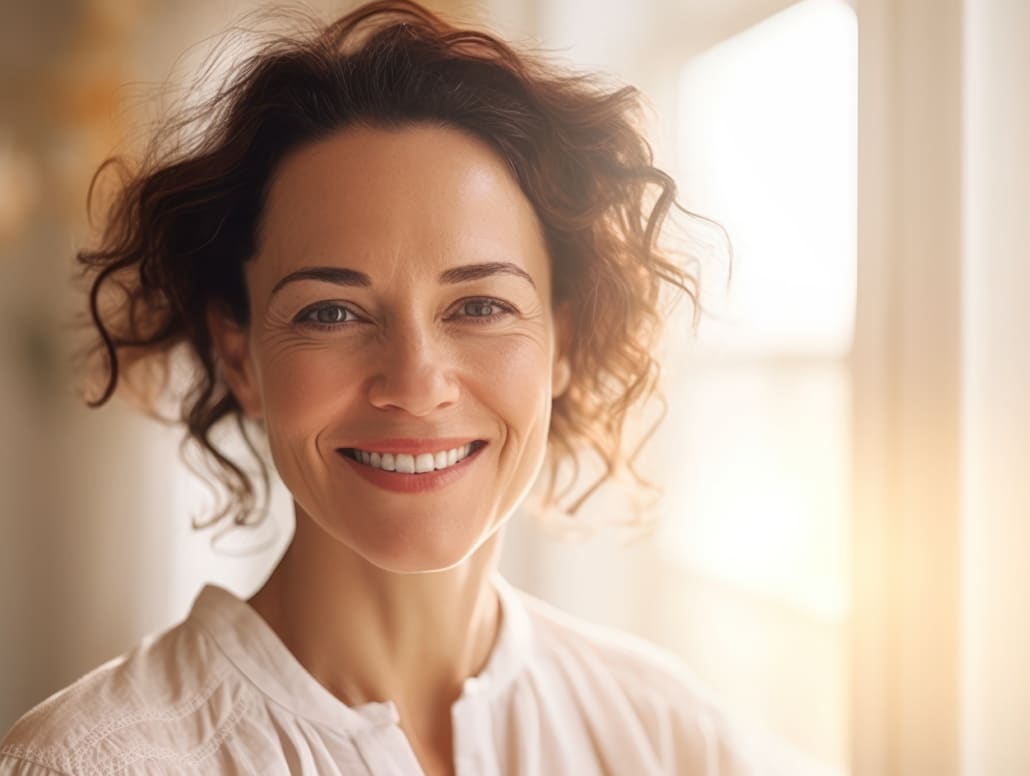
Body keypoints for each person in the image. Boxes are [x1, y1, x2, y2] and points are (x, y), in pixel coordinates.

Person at [0, 2, 778, 774]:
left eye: (480, 306)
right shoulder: (89, 762)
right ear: (241, 359)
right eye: (331, 311)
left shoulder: (670, 736)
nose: (413, 384)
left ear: (562, 343)